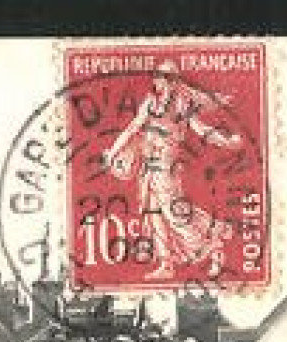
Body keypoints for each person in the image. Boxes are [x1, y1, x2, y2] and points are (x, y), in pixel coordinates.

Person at [102, 59, 243, 282]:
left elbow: (201, 129)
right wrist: (112, 152)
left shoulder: (182, 103)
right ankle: (166, 263)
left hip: (166, 165)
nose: (163, 82)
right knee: (153, 214)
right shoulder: (150, 103)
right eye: (160, 77)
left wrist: (227, 142)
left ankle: (214, 244)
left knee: (174, 213)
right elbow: (132, 128)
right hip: (148, 165)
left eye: (168, 78)